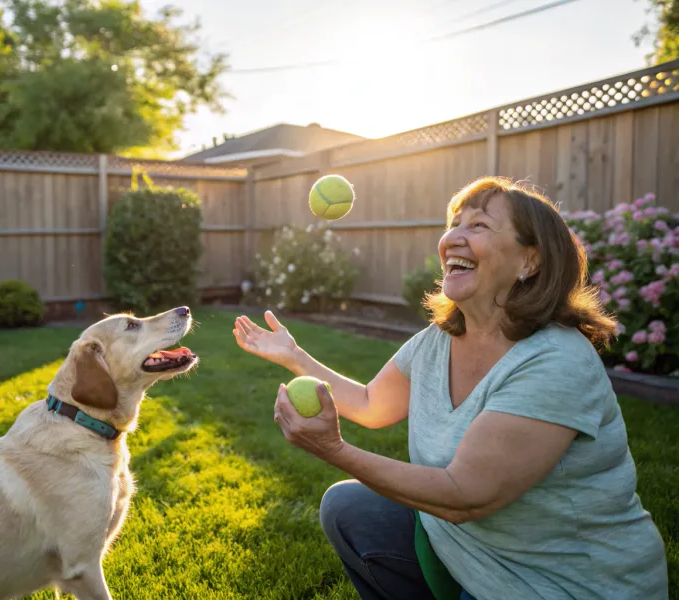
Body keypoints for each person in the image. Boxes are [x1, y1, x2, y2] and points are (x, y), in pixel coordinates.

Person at [232, 176, 669, 600]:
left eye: (478, 225)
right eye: (454, 225)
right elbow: (370, 404)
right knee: (349, 508)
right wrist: (294, 356)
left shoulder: (555, 360)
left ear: (529, 261)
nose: (453, 238)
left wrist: (333, 450)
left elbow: (466, 497)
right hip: (468, 552)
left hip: (557, 583)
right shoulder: (437, 341)